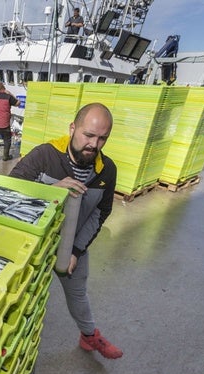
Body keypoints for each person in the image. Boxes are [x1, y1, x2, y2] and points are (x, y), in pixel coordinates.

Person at [9, 102, 123, 360]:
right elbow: (10, 189)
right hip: (33, 244)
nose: (94, 144)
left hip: (72, 244)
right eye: (89, 135)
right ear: (73, 128)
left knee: (78, 294)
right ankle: (14, 347)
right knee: (23, 297)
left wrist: (75, 249)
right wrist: (51, 191)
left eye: (102, 138)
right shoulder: (45, 155)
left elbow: (100, 212)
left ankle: (88, 336)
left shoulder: (107, 170)